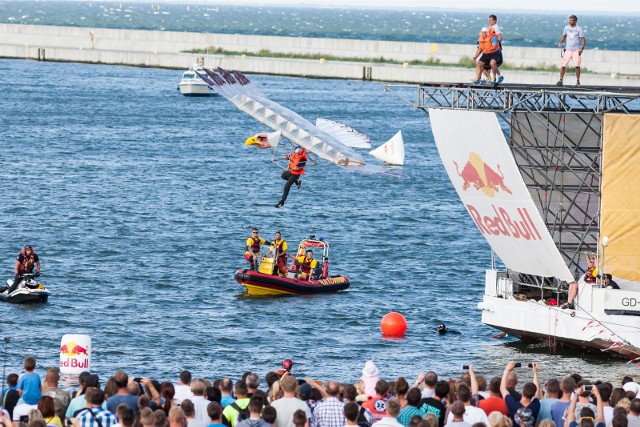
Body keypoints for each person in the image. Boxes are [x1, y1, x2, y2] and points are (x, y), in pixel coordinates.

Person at [556, 15, 586, 86]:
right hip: (568, 50)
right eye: (569, 20)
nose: (570, 21)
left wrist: (582, 48)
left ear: (575, 21)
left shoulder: (579, 29)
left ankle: (578, 81)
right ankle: (561, 80)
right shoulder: (566, 28)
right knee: (563, 65)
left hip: (576, 50)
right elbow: (564, 36)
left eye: (571, 20)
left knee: (577, 66)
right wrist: (560, 42)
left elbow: (583, 39)